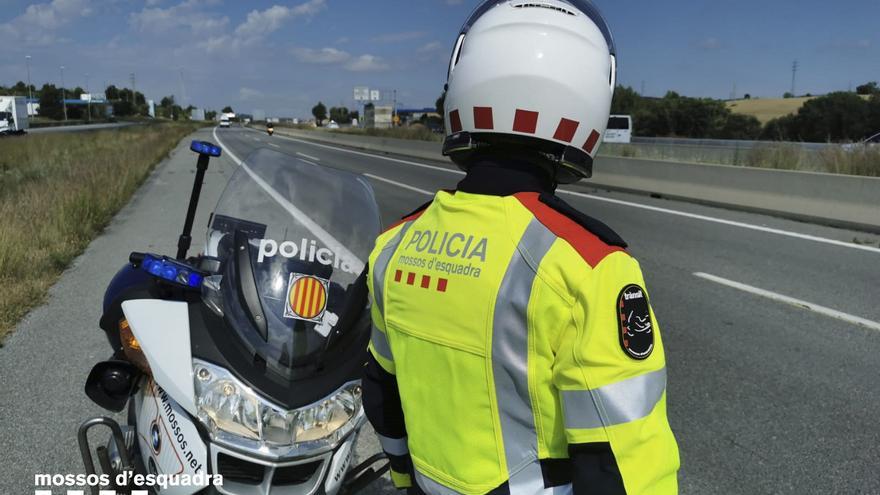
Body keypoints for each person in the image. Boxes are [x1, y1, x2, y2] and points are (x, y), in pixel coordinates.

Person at [362, 1, 679, 493]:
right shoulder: (588, 262)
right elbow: (622, 455)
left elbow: (383, 394)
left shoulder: (394, 244)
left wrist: (405, 481)